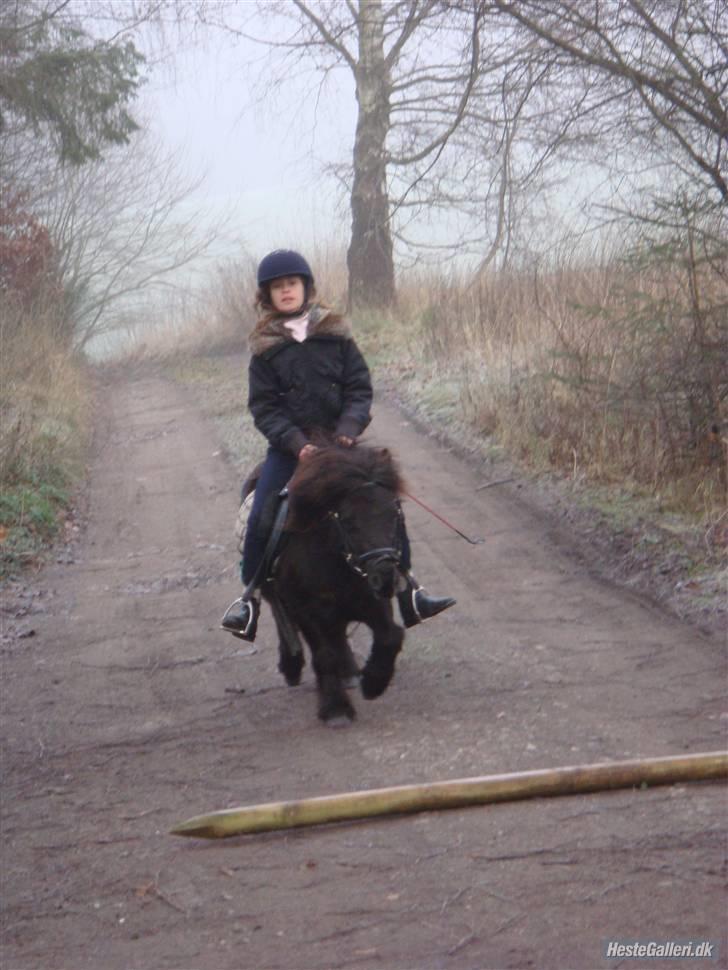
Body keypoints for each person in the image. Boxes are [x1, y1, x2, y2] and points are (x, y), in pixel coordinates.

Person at [221, 249, 455, 641]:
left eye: (292, 284)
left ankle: (408, 590)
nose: (287, 291)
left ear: (306, 287)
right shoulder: (263, 350)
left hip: (341, 444)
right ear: (268, 296)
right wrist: (296, 444)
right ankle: (249, 599)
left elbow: (359, 387)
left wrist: (349, 427)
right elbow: (264, 408)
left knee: (384, 502)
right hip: (290, 450)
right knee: (262, 513)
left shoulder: (336, 335)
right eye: (278, 287)